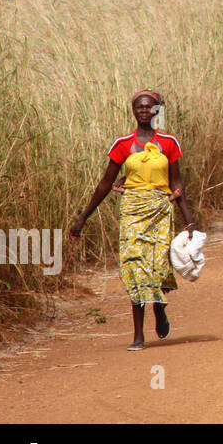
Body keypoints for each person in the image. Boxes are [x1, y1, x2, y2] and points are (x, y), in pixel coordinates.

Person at [70, 90, 195, 350]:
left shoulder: (169, 142)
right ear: (133, 111)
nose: (144, 111)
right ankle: (138, 335)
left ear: (156, 110)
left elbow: (177, 183)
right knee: (134, 268)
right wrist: (83, 218)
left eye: (149, 107)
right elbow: (105, 183)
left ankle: (159, 308)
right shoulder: (123, 144)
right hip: (133, 213)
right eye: (139, 107)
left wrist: (189, 221)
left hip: (161, 211)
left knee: (159, 266)